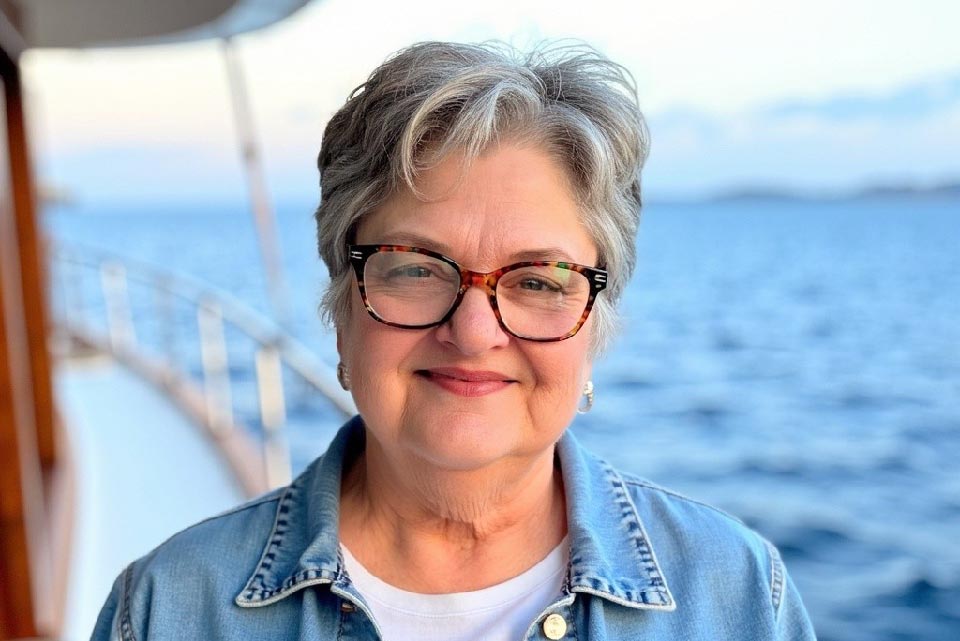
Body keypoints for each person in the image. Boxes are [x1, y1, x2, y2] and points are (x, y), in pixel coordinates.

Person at [92, 41, 816, 641]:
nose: (473, 330)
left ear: (593, 325)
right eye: (414, 267)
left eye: (539, 279)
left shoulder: (737, 596)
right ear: (342, 310)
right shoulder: (168, 610)